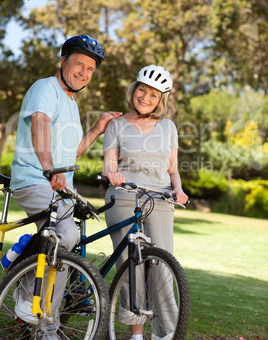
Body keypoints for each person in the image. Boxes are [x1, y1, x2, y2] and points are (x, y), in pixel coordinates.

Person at [10, 34, 122, 339]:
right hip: (35, 179)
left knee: (66, 246)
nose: (84, 72)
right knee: (66, 234)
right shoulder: (45, 88)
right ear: (63, 62)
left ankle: (44, 316)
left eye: (90, 69)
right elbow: (39, 126)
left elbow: (71, 154)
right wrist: (48, 168)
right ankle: (32, 306)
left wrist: (98, 128)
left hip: (59, 188)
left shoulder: (72, 104)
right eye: (79, 64)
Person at [102, 64, 188, 340]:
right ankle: (136, 333)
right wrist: (112, 174)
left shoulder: (168, 127)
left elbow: (173, 168)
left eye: (154, 95)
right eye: (142, 90)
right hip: (124, 196)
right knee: (131, 266)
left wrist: (179, 189)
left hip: (160, 199)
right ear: (134, 90)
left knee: (163, 266)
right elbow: (108, 164)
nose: (146, 98)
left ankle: (167, 333)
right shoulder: (116, 125)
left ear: (161, 100)